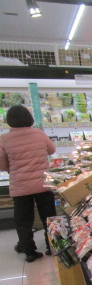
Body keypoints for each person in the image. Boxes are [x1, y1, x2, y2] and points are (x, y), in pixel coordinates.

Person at [0, 105, 57, 262]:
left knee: (23, 220)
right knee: (49, 216)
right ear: (29, 118)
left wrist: (15, 169)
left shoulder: (4, 139)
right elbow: (52, 150)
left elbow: (2, 164)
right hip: (43, 183)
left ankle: (29, 251)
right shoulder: (39, 133)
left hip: (20, 186)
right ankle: (52, 246)